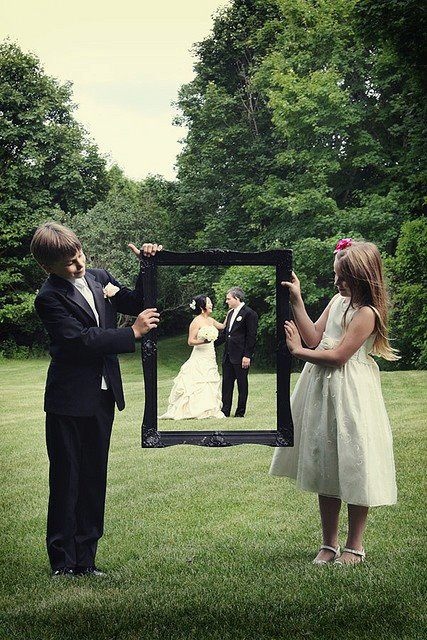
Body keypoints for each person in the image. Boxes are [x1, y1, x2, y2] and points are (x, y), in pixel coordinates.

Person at [31, 221, 161, 577]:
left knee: (93, 478)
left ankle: (86, 560)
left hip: (103, 396)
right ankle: (62, 562)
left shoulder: (100, 277)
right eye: (70, 264)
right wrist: (130, 333)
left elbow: (138, 302)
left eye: (80, 256)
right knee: (66, 478)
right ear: (48, 267)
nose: (79, 266)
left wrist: (147, 266)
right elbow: (79, 341)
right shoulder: (48, 298)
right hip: (68, 400)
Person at [270, 239, 398, 565]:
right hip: (323, 391)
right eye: (336, 275)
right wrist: (297, 300)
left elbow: (339, 356)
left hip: (352, 392)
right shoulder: (338, 301)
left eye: (342, 277)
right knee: (326, 460)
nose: (336, 283)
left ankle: (355, 544)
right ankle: (329, 543)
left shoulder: (368, 313)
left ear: (362, 277)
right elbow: (315, 335)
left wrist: (299, 352)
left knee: (354, 461)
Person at [160, 295, 227, 420]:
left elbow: (223, 326)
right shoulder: (196, 321)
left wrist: (231, 313)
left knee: (209, 380)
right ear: (202, 307)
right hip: (200, 354)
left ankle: (209, 409)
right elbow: (190, 341)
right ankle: (192, 409)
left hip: (210, 355)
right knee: (197, 380)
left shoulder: (211, 320)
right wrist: (204, 342)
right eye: (209, 303)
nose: (211, 304)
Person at [216, 287, 258, 418]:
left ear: (237, 298)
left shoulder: (250, 314)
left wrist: (247, 355)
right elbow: (225, 335)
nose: (226, 301)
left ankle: (240, 412)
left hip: (241, 356)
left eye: (228, 298)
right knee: (226, 385)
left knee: (242, 384)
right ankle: (225, 411)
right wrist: (209, 344)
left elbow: (251, 336)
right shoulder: (230, 313)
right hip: (228, 356)